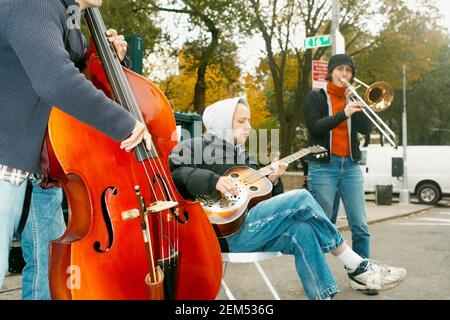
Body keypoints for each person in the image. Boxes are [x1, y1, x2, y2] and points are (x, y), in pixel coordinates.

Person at [169, 97, 406, 300]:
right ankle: (357, 265)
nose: (248, 127)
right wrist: (214, 181)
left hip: (253, 228)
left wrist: (272, 179)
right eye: (241, 121)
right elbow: (174, 173)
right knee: (301, 197)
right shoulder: (195, 146)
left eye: (249, 121)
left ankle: (324, 295)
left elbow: (268, 203)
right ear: (221, 123)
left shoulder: (247, 157)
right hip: (222, 234)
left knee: (302, 228)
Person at [0, 0, 151, 299]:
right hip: (6, 163)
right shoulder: (35, 3)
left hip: (45, 167)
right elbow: (56, 80)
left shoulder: (68, 20)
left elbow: (75, 84)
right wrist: (126, 124)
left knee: (50, 277)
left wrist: (104, 59)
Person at [304, 53, 390, 294]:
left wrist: (359, 106)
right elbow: (315, 127)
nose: (345, 74)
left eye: (349, 70)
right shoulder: (316, 97)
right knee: (322, 224)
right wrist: (344, 113)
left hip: (350, 166)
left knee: (360, 224)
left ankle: (362, 275)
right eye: (340, 69)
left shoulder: (353, 97)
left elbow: (364, 129)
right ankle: (317, 278)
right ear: (330, 72)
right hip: (323, 168)